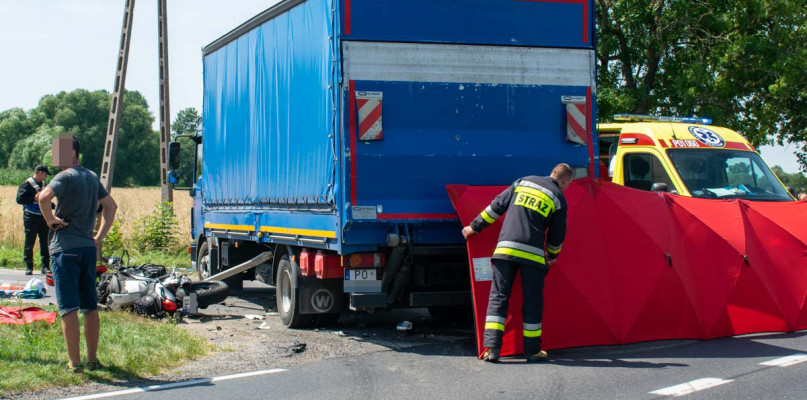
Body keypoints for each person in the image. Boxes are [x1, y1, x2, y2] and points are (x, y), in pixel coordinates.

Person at [462, 163, 572, 363]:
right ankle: (532, 351)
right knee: (532, 303)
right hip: (533, 257)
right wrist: (552, 254)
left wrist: (474, 227)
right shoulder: (558, 199)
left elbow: (496, 207)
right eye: (567, 184)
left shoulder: (523, 182)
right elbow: (557, 234)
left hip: (505, 251)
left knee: (498, 297)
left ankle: (492, 349)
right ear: (564, 180)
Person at [38, 136, 117, 373]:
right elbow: (111, 206)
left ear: (74, 154)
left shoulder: (64, 176)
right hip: (87, 248)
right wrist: (98, 238)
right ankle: (92, 358)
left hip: (65, 249)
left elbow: (43, 198)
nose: (56, 153)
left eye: (62, 150)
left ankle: (75, 362)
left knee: (68, 307)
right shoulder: (92, 177)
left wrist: (50, 220)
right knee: (90, 306)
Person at [15, 165, 51, 275]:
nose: (46, 176)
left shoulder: (44, 185)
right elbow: (19, 199)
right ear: (39, 173)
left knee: (45, 242)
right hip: (30, 217)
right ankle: (29, 266)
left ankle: (45, 266)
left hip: (43, 217)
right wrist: (34, 197)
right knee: (30, 242)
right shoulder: (27, 184)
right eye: (45, 174)